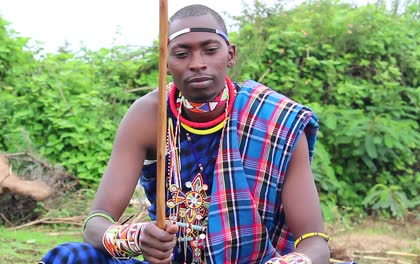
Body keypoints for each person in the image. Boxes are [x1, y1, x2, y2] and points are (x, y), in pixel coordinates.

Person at [40, 4, 335, 264]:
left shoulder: (275, 120)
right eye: (182, 53)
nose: (197, 63)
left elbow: (315, 244)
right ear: (166, 62)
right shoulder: (147, 116)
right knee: (71, 257)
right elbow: (96, 223)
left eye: (210, 50)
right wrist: (135, 238)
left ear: (230, 55)